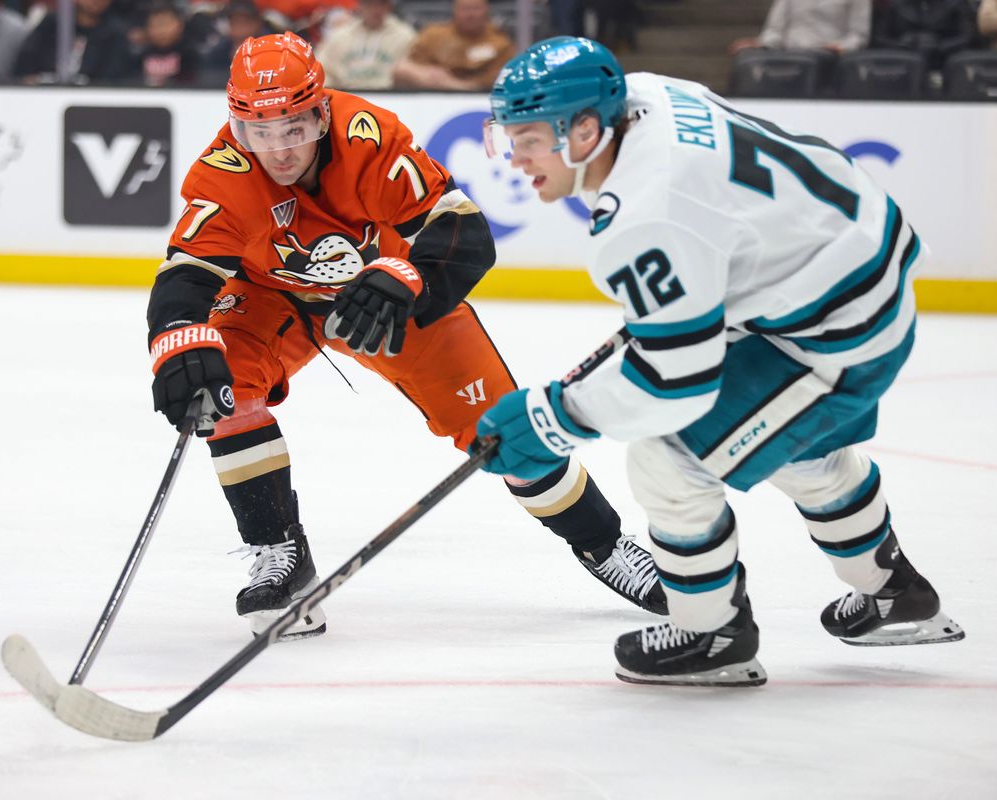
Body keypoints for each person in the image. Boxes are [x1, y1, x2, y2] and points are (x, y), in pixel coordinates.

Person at [145, 31, 667, 641]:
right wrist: (177, 336)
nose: (279, 150)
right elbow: (185, 271)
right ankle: (281, 555)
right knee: (223, 387)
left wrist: (408, 276)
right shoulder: (222, 172)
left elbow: (465, 233)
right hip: (271, 299)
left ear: (321, 111)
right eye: (260, 131)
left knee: (503, 430)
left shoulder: (368, 135)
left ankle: (603, 544)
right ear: (237, 127)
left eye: (294, 127)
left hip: (388, 300)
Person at [477, 36, 965, 686]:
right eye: (509, 136)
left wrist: (554, 417)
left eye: (530, 138)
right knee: (799, 449)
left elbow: (674, 380)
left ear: (586, 129)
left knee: (667, 458)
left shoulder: (645, 215)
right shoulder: (644, 91)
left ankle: (712, 633)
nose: (515, 158)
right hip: (851, 267)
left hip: (833, 330)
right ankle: (895, 593)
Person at [393, 0, 513, 91]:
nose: (470, 15)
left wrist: (457, 84)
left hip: (476, 91)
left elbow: (501, 76)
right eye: (465, 9)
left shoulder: (500, 42)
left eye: (476, 9)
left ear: (486, 11)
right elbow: (408, 65)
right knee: (402, 68)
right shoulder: (434, 34)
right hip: (433, 87)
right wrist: (427, 72)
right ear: (455, 10)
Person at [13, 0, 134, 84]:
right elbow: (25, 64)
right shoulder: (51, 24)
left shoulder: (116, 34)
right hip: (43, 97)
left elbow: (114, 79)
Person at [316, 0, 416, 90]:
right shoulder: (340, 36)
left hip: (390, 95)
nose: (376, 9)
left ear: (389, 7)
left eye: (382, 4)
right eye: (370, 4)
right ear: (360, 6)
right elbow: (321, 68)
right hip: (347, 94)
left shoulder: (405, 36)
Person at [730, 0, 871, 56]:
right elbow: (775, 30)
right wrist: (760, 43)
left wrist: (842, 47)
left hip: (830, 57)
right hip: (789, 54)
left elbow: (858, 36)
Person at [872, 0, 976, 70]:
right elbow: (879, 38)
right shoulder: (894, 4)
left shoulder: (956, 4)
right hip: (900, 65)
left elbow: (968, 37)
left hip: (945, 62)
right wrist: (901, 45)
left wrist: (940, 46)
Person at [135, 2, 201, 87]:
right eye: (155, 25)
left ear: (179, 25)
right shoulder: (140, 55)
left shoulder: (190, 54)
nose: (161, 31)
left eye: (165, 24)